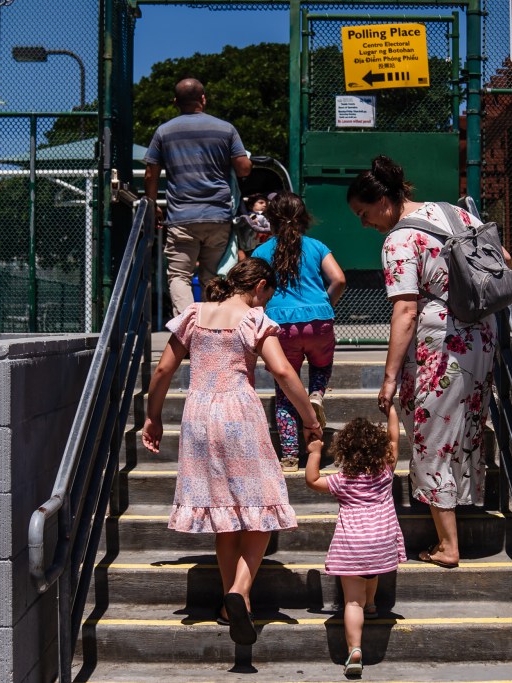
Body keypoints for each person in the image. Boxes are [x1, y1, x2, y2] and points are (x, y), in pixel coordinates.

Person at [141, 257, 323, 646]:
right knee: (264, 500)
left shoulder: (194, 313)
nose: (266, 305)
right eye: (267, 296)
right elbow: (284, 372)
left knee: (224, 510)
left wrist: (153, 417)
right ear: (259, 286)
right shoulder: (253, 320)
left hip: (198, 416)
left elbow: (162, 372)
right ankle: (240, 590)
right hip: (239, 412)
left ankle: (228, 606)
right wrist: (309, 417)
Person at [346, 155, 508, 570]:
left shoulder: (398, 241)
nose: (365, 224)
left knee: (430, 434)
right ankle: (458, 508)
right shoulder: (453, 211)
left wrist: (388, 378)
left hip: (441, 342)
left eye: (365, 215)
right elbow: (502, 256)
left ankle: (448, 545)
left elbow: (404, 312)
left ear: (383, 200)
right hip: (482, 333)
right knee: (461, 425)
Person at [304, 408, 406, 677]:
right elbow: (395, 439)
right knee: (370, 571)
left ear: (344, 452)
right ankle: (371, 604)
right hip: (381, 541)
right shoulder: (385, 472)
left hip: (353, 544)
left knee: (351, 602)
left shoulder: (342, 480)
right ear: (380, 449)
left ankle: (355, 650)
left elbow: (312, 480)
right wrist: (392, 412)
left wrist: (315, 452)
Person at [251, 191, 346, 471]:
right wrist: (324, 304)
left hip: (281, 326)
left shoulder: (262, 251)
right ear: (304, 218)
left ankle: (290, 455)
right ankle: (316, 394)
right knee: (321, 365)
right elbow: (339, 279)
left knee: (285, 392)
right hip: (319, 321)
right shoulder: (317, 246)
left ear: (270, 220)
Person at [143, 78, 252, 316]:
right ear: (203, 99)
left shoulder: (163, 131)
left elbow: (151, 173)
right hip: (218, 216)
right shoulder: (226, 129)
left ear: (175, 102)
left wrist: (152, 205)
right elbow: (243, 168)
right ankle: (212, 330)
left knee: (180, 276)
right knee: (213, 277)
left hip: (181, 217)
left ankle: (186, 327)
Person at [233, 193, 273, 261]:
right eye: (261, 202)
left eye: (266, 203)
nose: (264, 205)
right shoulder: (245, 218)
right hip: (245, 247)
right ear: (251, 206)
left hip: (258, 246)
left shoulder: (265, 217)